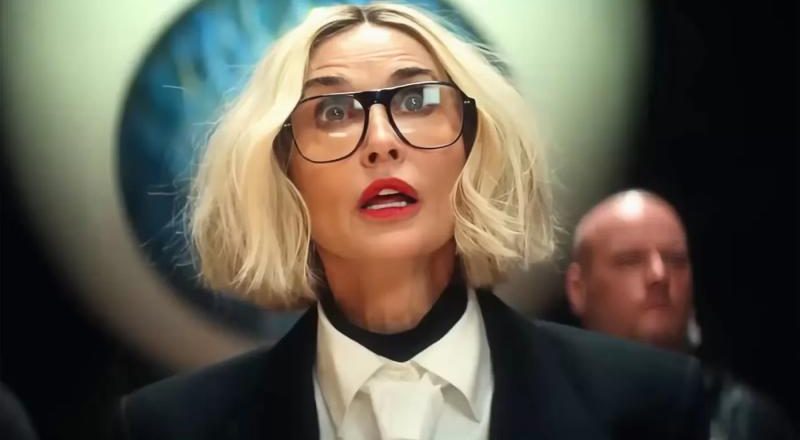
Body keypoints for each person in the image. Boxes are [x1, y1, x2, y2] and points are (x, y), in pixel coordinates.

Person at [114, 4, 709, 439]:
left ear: (473, 146)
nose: (381, 141)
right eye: (334, 110)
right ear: (281, 168)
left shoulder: (648, 404)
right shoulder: (170, 428)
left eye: (416, 100)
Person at [565, 189, 797, 439]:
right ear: (578, 288)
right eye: (630, 260)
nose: (659, 274)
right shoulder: (545, 411)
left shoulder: (746, 424)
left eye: (675, 260)